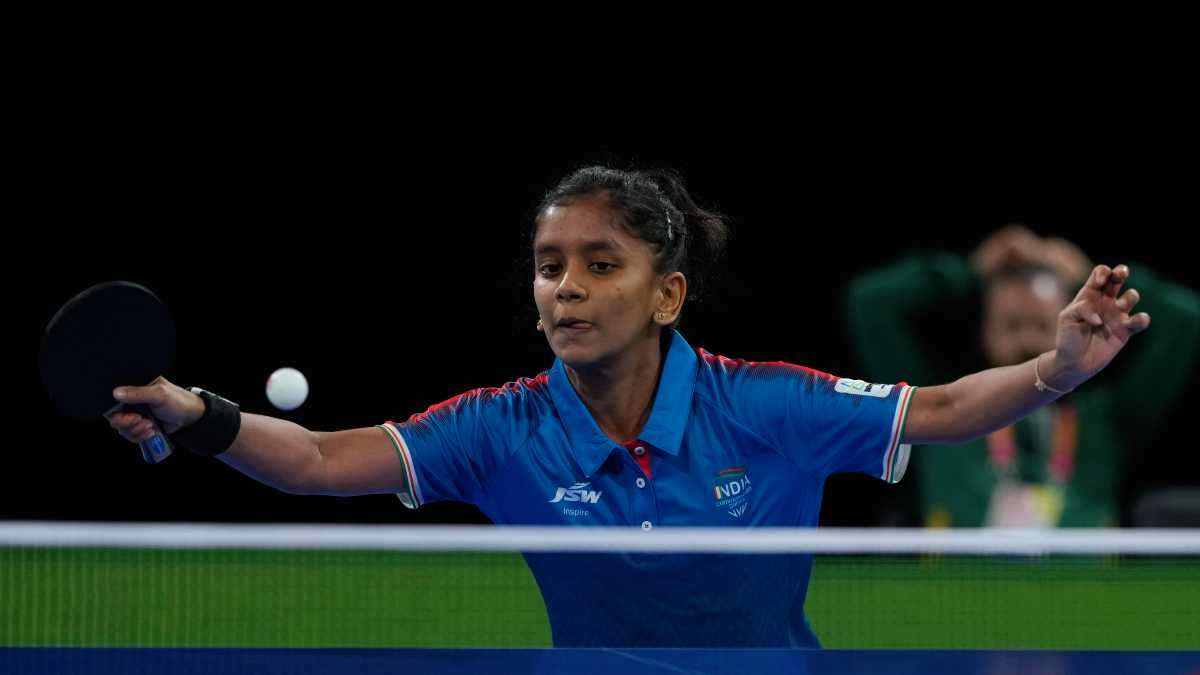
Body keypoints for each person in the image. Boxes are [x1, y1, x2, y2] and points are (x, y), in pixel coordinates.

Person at [107, 167, 1151, 648]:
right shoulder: (501, 427)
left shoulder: (764, 405)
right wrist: (196, 412)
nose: (565, 288)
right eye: (548, 265)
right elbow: (320, 461)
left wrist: (1059, 369)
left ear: (667, 294)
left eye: (600, 264)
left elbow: (947, 405)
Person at [847, 226, 1199, 528]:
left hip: (1083, 585)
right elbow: (872, 303)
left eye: (1043, 326)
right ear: (984, 332)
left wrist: (1096, 278)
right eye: (1012, 326)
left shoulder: (1108, 418)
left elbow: (1187, 319)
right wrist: (969, 272)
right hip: (960, 583)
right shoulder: (938, 407)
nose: (1027, 341)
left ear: (1073, 327)